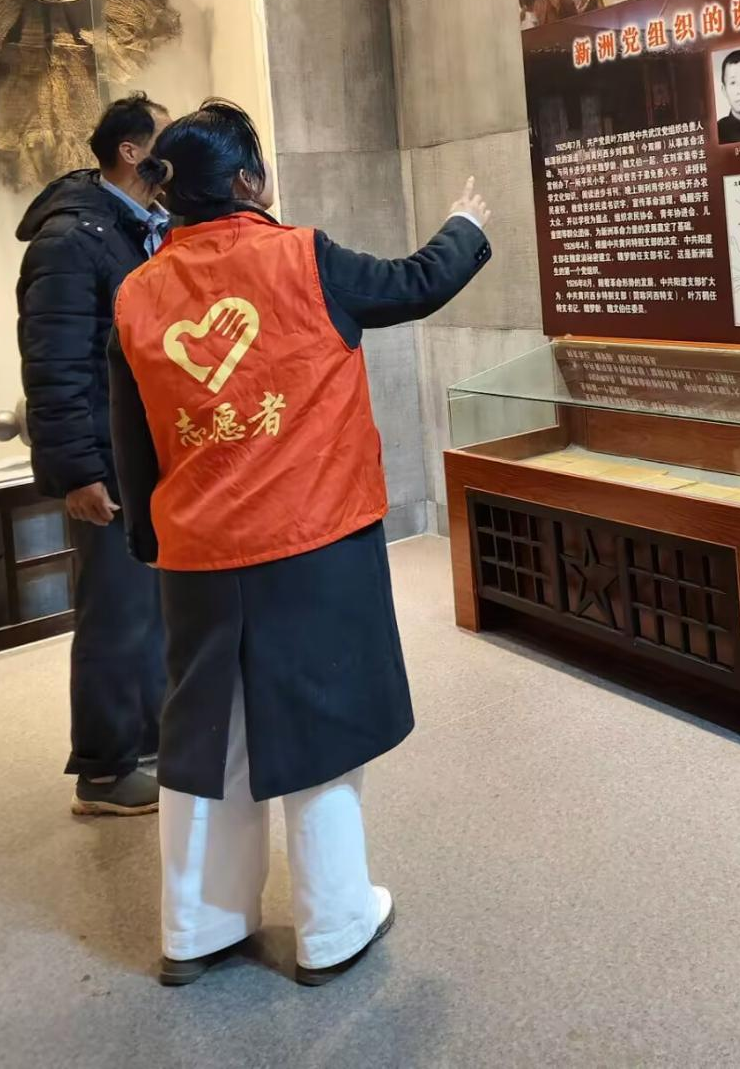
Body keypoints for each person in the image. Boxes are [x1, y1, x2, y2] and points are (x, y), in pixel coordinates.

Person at [106, 101, 492, 987]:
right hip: (312, 540)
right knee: (320, 729)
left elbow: (133, 432)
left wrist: (147, 535)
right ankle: (333, 925)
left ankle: (196, 928)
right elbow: (413, 283)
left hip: (197, 552)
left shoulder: (137, 292)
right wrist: (466, 225)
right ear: (249, 182)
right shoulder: (303, 257)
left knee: (208, 740)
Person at [16, 92, 171, 817]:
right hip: (105, 461)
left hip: (146, 455)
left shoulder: (142, 226)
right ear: (132, 152)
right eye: (166, 138)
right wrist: (78, 471)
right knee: (114, 614)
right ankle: (104, 773)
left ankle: (151, 741)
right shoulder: (70, 240)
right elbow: (54, 367)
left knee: (151, 609)